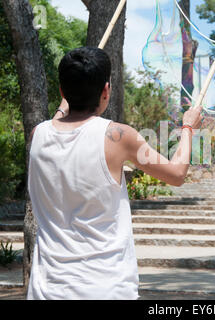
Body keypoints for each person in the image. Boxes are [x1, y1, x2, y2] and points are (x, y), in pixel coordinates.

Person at [26, 47, 203, 300]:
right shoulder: (117, 136)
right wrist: (188, 126)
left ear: (62, 91)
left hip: (47, 289)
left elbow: (56, 123)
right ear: (106, 91)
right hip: (105, 287)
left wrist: (65, 103)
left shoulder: (37, 135)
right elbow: (176, 174)